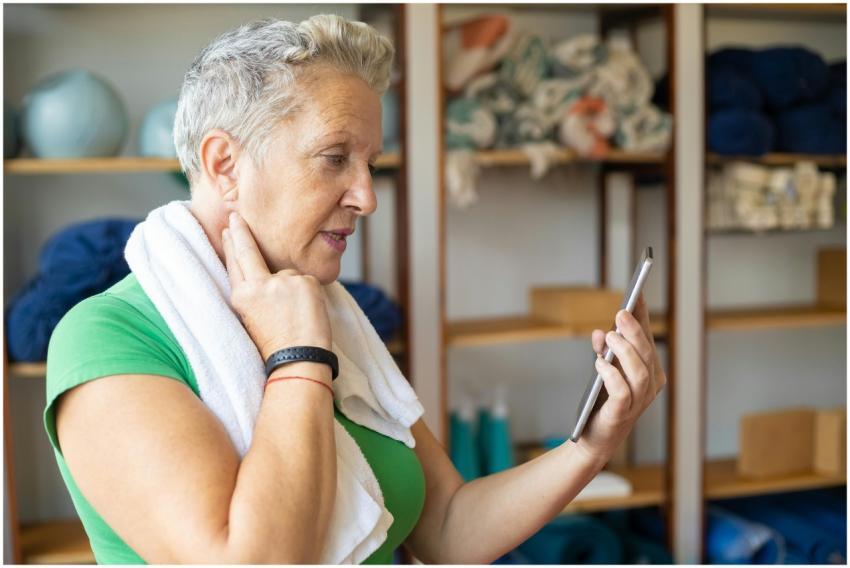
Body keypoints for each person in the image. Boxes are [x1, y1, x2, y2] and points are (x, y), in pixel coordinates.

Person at [44, 14, 667, 564]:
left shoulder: (329, 314)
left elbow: (447, 532)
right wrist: (296, 363)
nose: (366, 196)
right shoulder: (106, 339)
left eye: (370, 162)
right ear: (225, 165)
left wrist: (592, 445)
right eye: (335, 157)